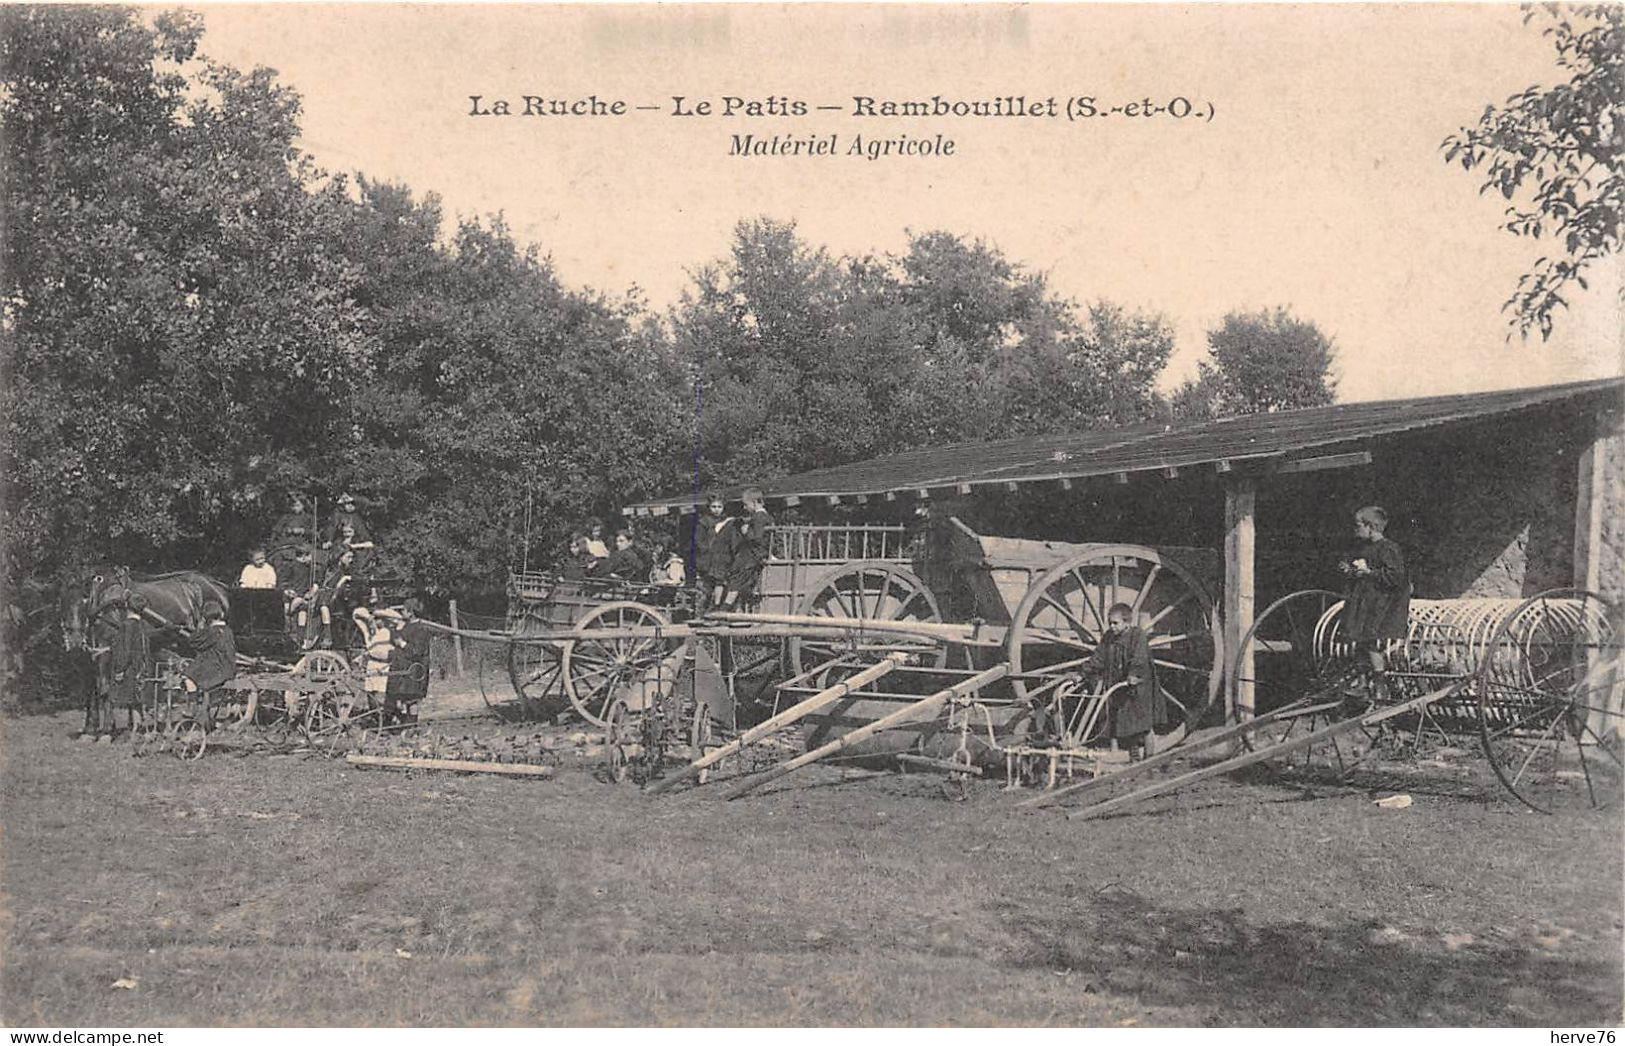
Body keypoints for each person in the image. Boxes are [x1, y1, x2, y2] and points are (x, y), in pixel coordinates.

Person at [1338, 505, 1411, 714]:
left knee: (1370, 642)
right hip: (1364, 601)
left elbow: (1395, 578)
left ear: (1371, 526)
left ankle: (1381, 687)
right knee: (1357, 640)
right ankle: (1362, 683)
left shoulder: (1388, 548)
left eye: (1358, 525)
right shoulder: (1363, 548)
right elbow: (1358, 570)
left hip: (1381, 604)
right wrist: (1350, 569)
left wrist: (1368, 572)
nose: (1355, 529)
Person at [1081, 602, 1162, 761]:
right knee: (1125, 720)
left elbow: (1139, 658)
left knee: (1140, 721)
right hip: (1118, 683)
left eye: (1115, 623)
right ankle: (1134, 756)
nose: (1112, 626)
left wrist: (1133, 674)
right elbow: (1098, 657)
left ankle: (1149, 754)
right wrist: (1083, 672)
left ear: (1127, 623)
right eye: (1110, 623)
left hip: (1137, 685)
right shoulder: (1109, 637)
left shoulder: (1137, 635)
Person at [179, 601, 237, 726]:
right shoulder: (227, 630)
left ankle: (192, 707)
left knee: (188, 676)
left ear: (206, 618)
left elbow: (194, 641)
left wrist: (197, 628)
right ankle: (202, 710)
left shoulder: (211, 631)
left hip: (217, 668)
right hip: (227, 666)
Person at [721, 488, 772, 611]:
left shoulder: (759, 517)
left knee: (736, 580)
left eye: (746, 504)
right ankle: (732, 609)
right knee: (736, 578)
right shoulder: (760, 516)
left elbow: (757, 538)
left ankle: (724, 610)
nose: (744, 508)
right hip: (752, 553)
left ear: (755, 503)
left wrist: (746, 532)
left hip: (754, 554)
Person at [108, 592, 152, 735]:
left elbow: (125, 650)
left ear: (127, 607)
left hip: (129, 669)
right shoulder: (143, 625)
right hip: (141, 667)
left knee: (123, 699)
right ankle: (137, 727)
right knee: (137, 699)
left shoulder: (126, 626)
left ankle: (124, 730)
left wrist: (120, 670)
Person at [386, 598, 432, 723]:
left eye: (404, 610)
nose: (401, 613)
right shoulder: (406, 626)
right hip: (401, 667)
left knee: (412, 699)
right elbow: (395, 639)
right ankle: (402, 722)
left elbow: (417, 651)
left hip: (414, 669)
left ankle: (412, 726)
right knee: (398, 697)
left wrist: (401, 643)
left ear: (411, 612)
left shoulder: (420, 629)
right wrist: (393, 629)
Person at [695, 494, 736, 610]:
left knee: (721, 582)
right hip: (707, 557)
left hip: (722, 557)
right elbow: (699, 540)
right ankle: (704, 607)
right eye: (714, 506)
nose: (716, 509)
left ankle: (717, 605)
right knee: (707, 585)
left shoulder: (727, 521)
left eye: (719, 507)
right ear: (709, 507)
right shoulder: (703, 522)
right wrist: (707, 550)